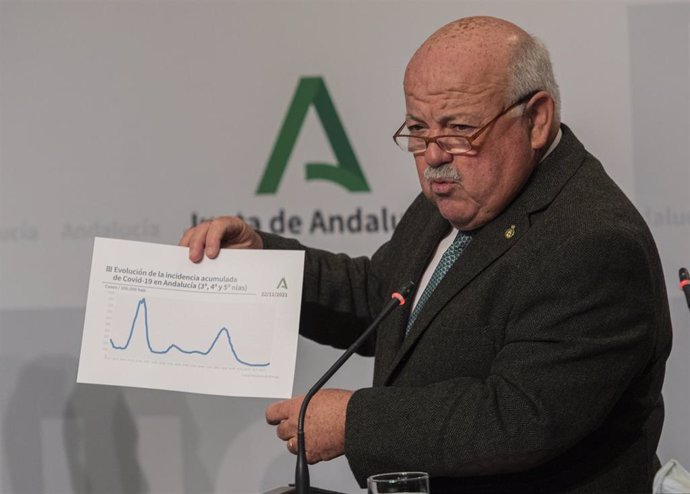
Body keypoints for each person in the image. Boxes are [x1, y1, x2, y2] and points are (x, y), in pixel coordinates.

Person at [179, 16, 672, 493]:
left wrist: (355, 422)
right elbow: (383, 297)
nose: (433, 154)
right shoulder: (466, 191)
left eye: (458, 127)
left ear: (537, 119)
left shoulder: (592, 240)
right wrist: (263, 260)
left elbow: (519, 417)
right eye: (417, 128)